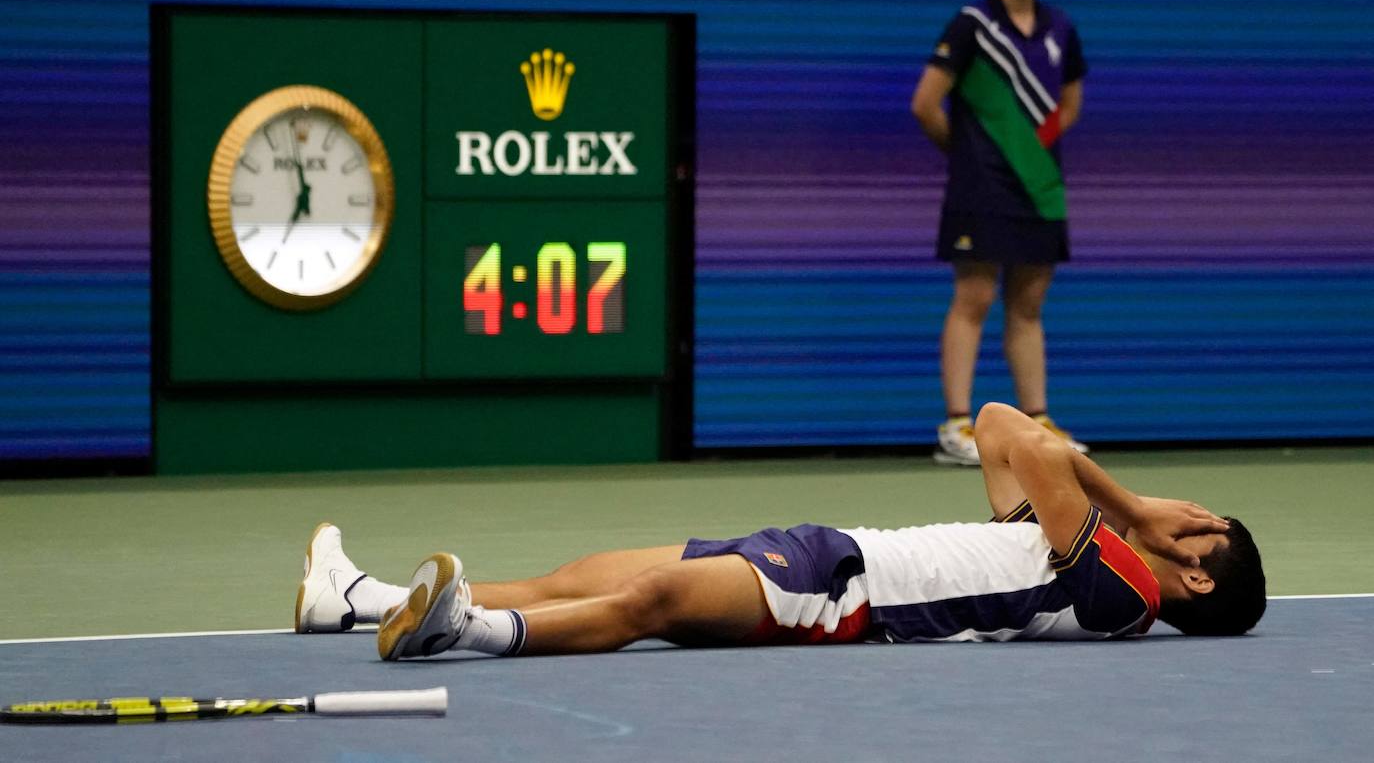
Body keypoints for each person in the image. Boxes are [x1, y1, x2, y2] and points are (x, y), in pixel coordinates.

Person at [294, 403, 1265, 659]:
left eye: (1201, 526)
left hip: (847, 592)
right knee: (578, 573)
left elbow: (1047, 456)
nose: (1183, 513)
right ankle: (360, 598)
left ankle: (463, 632)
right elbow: (1005, 424)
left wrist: (1133, 512)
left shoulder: (1124, 595)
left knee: (650, 603)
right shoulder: (1058, 555)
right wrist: (1129, 507)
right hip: (825, 545)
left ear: (1200, 577)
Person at [911, 0, 1088, 466]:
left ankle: (1038, 420)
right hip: (979, 190)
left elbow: (1070, 103)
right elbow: (924, 103)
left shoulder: (1061, 27)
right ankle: (957, 425)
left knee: (1029, 302)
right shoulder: (972, 26)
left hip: (1040, 188)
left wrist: (1028, 152)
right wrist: (969, 157)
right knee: (975, 296)